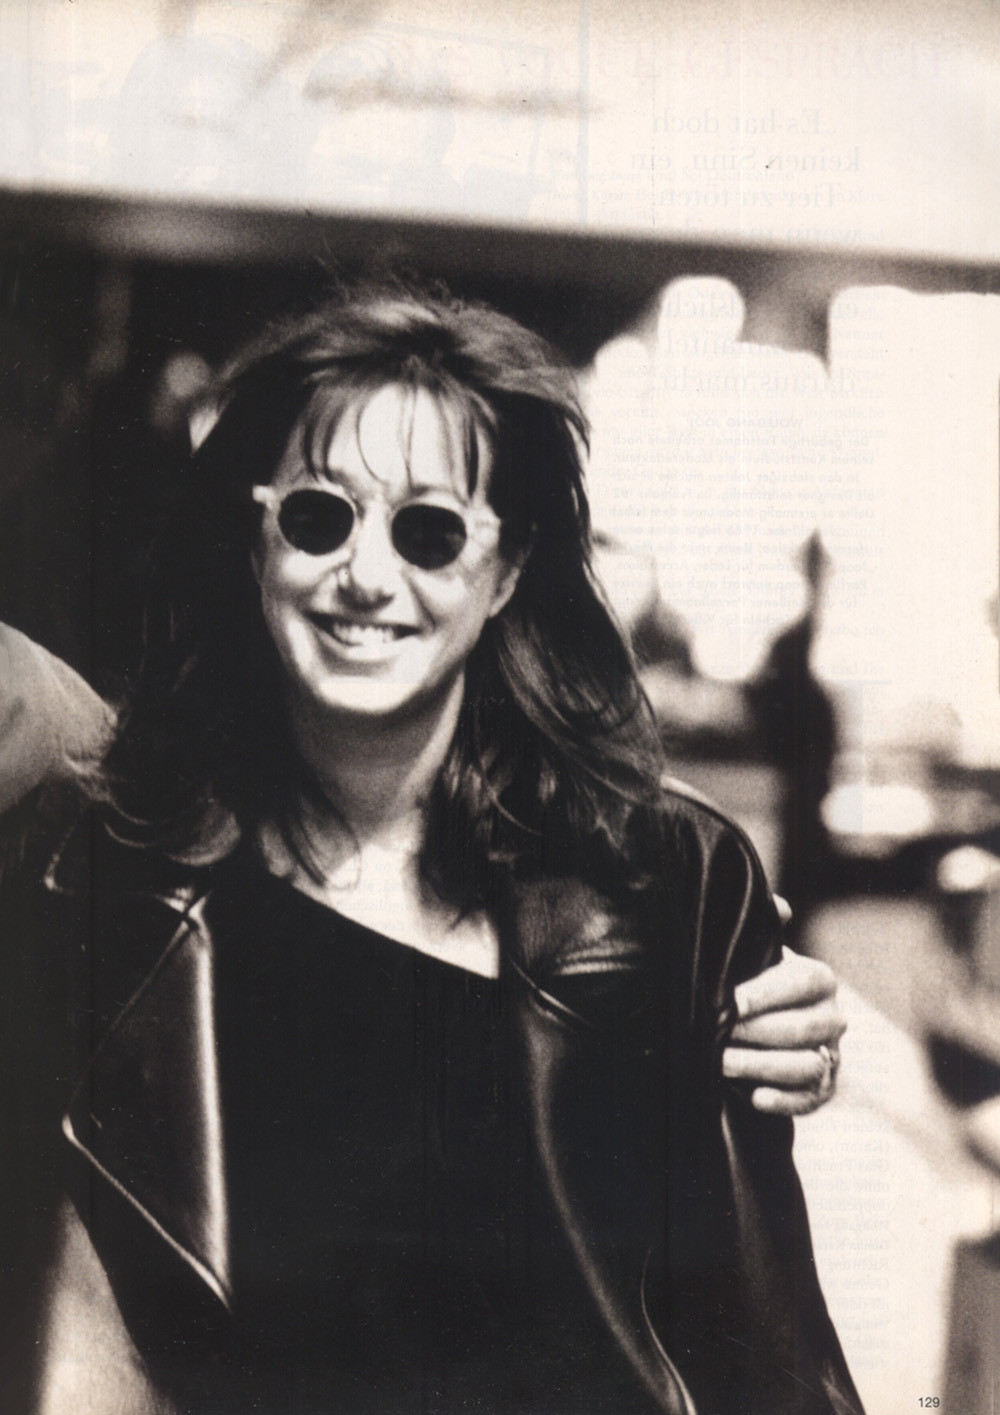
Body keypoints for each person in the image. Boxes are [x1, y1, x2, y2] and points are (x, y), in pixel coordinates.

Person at [0, 286, 860, 1415]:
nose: (366, 574)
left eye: (429, 531)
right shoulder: (106, 876)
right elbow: (80, 1331)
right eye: (319, 517)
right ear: (255, 542)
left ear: (506, 570)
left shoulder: (665, 881)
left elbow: (762, 1339)